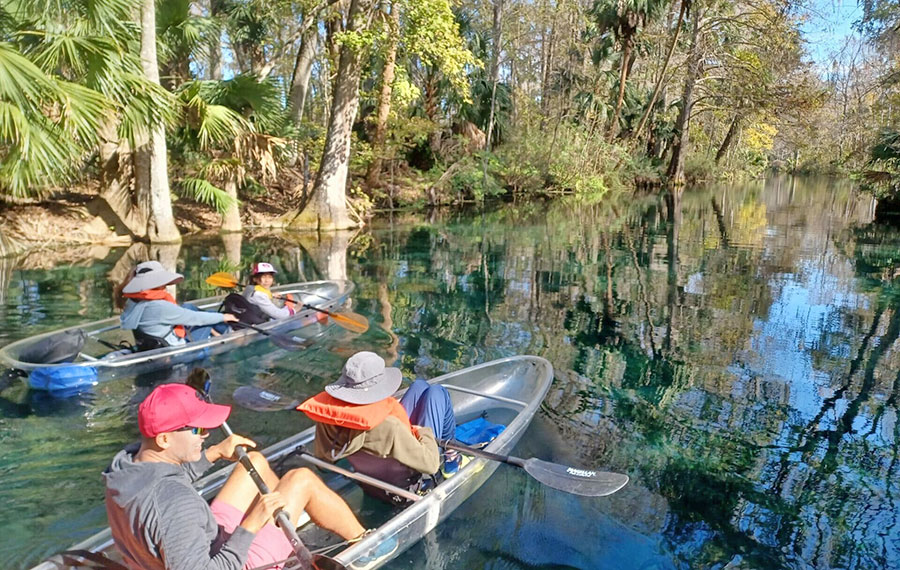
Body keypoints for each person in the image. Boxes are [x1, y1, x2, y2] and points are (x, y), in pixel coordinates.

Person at [104, 382, 395, 570]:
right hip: (230, 561)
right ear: (165, 440)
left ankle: (284, 517)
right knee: (300, 478)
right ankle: (363, 546)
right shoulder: (175, 503)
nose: (205, 435)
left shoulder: (125, 469)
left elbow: (167, 481)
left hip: (203, 538)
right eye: (196, 430)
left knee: (252, 462)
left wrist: (215, 453)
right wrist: (252, 524)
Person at [298, 351, 463, 501]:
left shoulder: (328, 420)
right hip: (409, 485)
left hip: (371, 483)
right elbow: (431, 464)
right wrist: (424, 433)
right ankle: (451, 456)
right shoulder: (390, 427)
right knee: (437, 393)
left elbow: (322, 464)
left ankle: (450, 451)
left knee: (419, 386)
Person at [120, 261, 238, 349]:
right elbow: (197, 318)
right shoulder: (159, 306)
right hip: (172, 347)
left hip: (149, 342)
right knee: (206, 321)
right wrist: (225, 317)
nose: (165, 285)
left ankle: (217, 332)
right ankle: (228, 336)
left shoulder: (132, 301)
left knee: (188, 307)